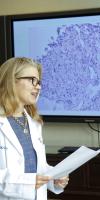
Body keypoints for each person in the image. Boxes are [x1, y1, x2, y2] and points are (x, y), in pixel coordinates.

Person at [0, 57, 69, 200]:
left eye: (38, 82)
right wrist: (27, 182)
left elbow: (35, 167)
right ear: (11, 81)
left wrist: (54, 177)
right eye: (32, 80)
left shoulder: (34, 123)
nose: (38, 87)